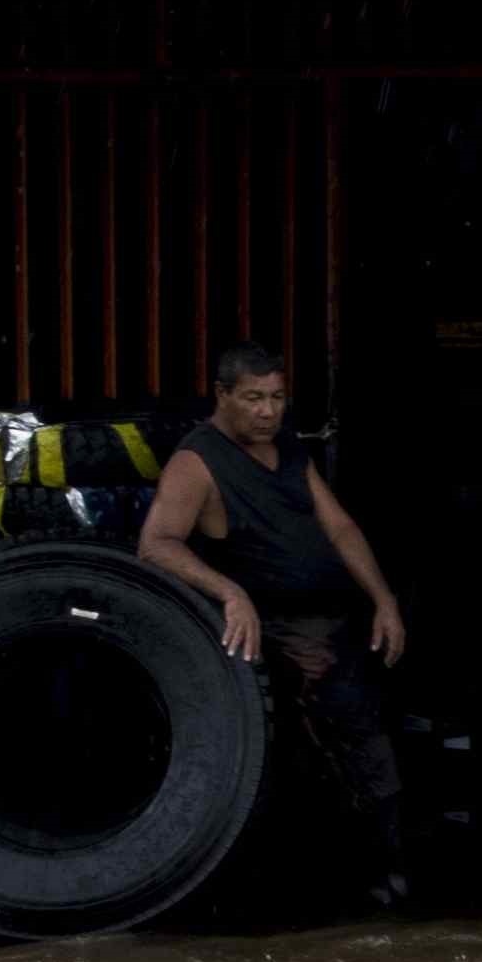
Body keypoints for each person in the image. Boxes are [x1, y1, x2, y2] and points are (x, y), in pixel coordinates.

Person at [139, 339, 413, 904]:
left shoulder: (287, 449)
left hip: (333, 626)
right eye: (253, 398)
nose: (268, 411)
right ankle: (347, 885)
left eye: (278, 398)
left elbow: (339, 528)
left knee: (368, 754)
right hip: (276, 636)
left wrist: (384, 599)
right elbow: (156, 544)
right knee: (321, 760)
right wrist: (230, 590)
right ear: (222, 395)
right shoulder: (198, 460)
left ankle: (387, 876)